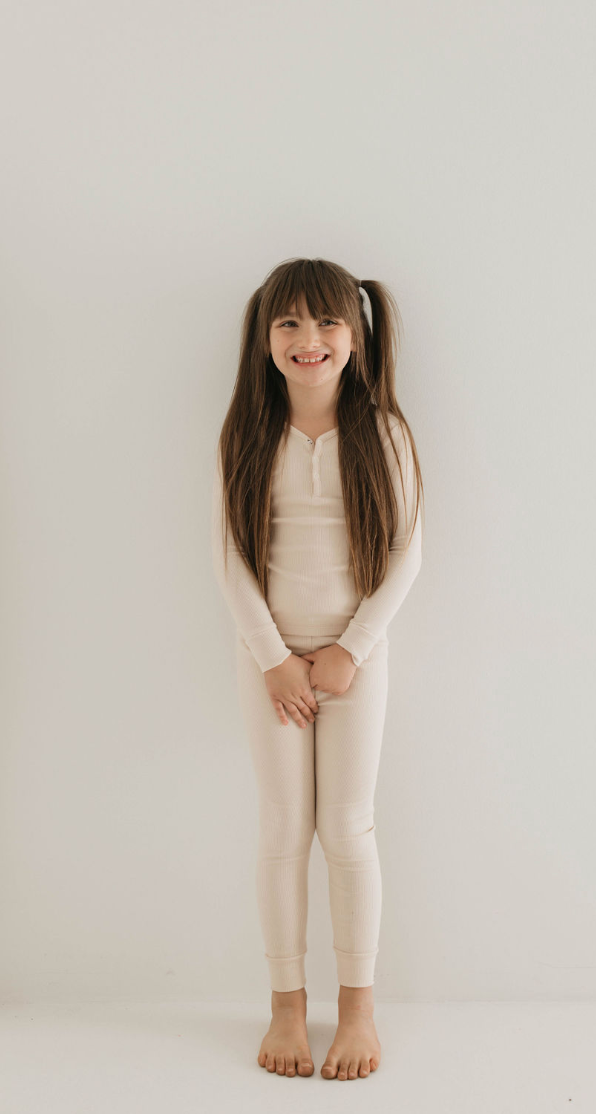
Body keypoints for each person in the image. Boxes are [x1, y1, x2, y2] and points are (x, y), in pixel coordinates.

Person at [211, 256, 424, 1080]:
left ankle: (358, 1011)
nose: (309, 340)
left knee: (346, 827)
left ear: (358, 335)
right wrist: (273, 658)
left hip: (353, 659)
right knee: (281, 827)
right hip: (267, 661)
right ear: (265, 337)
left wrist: (349, 650)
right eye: (290, 323)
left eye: (328, 322)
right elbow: (229, 557)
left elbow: (406, 555)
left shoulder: (387, 432)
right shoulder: (247, 432)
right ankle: (287, 1010)